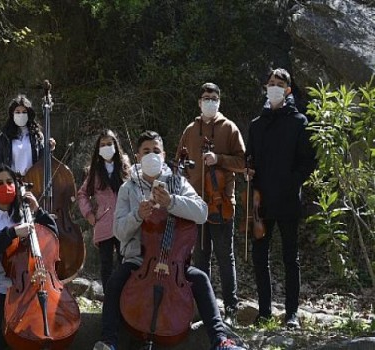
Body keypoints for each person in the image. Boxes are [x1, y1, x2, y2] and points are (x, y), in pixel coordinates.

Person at [94, 131, 244, 350]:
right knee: (116, 279)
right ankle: (109, 341)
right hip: (139, 260)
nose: (151, 155)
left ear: (164, 155)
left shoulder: (177, 182)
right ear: (137, 156)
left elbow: (202, 212)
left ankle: (221, 340)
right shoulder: (128, 188)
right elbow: (118, 231)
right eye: (146, 151)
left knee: (201, 279)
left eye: (156, 151)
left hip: (175, 263)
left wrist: (172, 201)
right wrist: (137, 215)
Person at [247, 68, 315, 329]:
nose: (274, 86)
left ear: (288, 90)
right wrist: (248, 169)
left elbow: (307, 162)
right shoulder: (256, 124)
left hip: (287, 200)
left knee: (290, 258)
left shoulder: (299, 122)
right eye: (271, 83)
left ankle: (292, 315)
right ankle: (264, 312)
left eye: (280, 83)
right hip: (261, 202)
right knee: (259, 257)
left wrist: (290, 183)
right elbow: (249, 158)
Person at [176, 82, 246, 324]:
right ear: (199, 102)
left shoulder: (229, 128)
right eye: (206, 97)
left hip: (221, 203)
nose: (209, 101)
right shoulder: (190, 130)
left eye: (213, 97)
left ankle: (232, 309)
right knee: (200, 258)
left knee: (225, 257)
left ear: (219, 101)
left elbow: (242, 162)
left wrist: (219, 159)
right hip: (194, 205)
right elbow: (179, 165)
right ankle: (202, 309)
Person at [0, 166, 58, 350]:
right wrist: (12, 232)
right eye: (0, 183)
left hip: (28, 287)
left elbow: (53, 235)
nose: (6, 186)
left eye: (10, 182)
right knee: (15, 332)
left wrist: (38, 210)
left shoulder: (24, 214)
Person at [77, 129, 130, 292]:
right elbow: (82, 194)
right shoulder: (95, 171)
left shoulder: (125, 166)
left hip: (124, 221)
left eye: (109, 144)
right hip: (104, 223)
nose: (106, 147)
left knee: (125, 262)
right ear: (98, 149)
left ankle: (125, 299)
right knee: (106, 265)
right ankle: (109, 299)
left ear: (116, 145)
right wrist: (89, 214)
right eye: (103, 145)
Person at [0, 94, 55, 175]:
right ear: (12, 114)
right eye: (17, 112)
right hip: (13, 183)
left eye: (24, 112)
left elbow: (44, 161)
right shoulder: (4, 137)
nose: (21, 115)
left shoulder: (37, 136)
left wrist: (50, 148)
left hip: (33, 181)